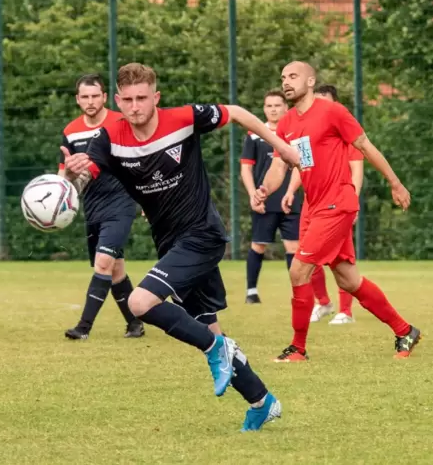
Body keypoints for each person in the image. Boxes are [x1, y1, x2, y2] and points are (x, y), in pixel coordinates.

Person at [61, 63, 301, 431]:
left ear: (155, 97)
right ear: (118, 101)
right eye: (127, 100)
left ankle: (216, 351)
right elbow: (85, 175)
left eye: (142, 98)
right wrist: (66, 178)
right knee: (209, 328)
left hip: (202, 235)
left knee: (141, 303)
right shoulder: (110, 137)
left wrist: (283, 148)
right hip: (170, 243)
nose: (135, 106)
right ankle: (261, 400)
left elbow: (234, 113)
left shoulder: (182, 118)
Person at [254, 62, 421, 362]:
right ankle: (405, 331)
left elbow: (366, 147)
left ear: (311, 81)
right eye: (283, 78)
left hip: (337, 204)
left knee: (298, 270)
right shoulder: (288, 122)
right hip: (314, 207)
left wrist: (395, 183)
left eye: (293, 76)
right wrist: (265, 189)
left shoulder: (332, 112)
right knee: (348, 280)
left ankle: (298, 349)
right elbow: (280, 165)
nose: (287, 82)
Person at [58, 74, 145, 340]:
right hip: (92, 205)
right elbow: (64, 174)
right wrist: (60, 197)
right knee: (115, 268)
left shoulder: (120, 121)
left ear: (105, 97)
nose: (90, 101)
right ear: (77, 100)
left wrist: (145, 197)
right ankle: (135, 323)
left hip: (121, 201)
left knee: (104, 262)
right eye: (85, 97)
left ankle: (83, 327)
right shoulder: (71, 131)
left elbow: (140, 159)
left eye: (95, 96)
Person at [281, 84, 364, 325]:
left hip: (338, 204)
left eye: (323, 101)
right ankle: (323, 302)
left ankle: (346, 311)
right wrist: (290, 190)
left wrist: (354, 200)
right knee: (307, 256)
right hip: (312, 205)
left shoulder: (344, 133)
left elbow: (356, 170)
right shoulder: (305, 133)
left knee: (342, 260)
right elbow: (303, 165)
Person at [240, 90, 301, 304]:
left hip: (292, 200)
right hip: (265, 201)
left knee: (293, 248)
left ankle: (298, 293)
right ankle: (251, 292)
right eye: (269, 106)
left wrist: (292, 191)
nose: (273, 109)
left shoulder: (295, 132)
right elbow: (246, 169)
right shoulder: (255, 134)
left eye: (277, 105)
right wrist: (252, 195)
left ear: (286, 107)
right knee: (258, 245)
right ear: (264, 109)